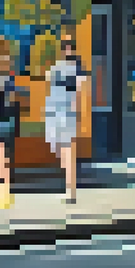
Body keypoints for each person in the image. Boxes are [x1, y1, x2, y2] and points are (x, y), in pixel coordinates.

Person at [46, 36, 89, 203]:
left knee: (68, 150)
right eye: (65, 45)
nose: (67, 49)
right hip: (56, 111)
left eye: (70, 45)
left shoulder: (77, 69)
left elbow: (79, 93)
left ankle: (71, 191)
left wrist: (77, 112)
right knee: (62, 150)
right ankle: (69, 187)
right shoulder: (58, 67)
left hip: (64, 112)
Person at [0, 39, 23, 209]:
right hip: (9, 114)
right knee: (4, 152)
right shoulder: (9, 78)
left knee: (0, 151)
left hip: (2, 115)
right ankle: (3, 185)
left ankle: (2, 186)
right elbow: (12, 98)